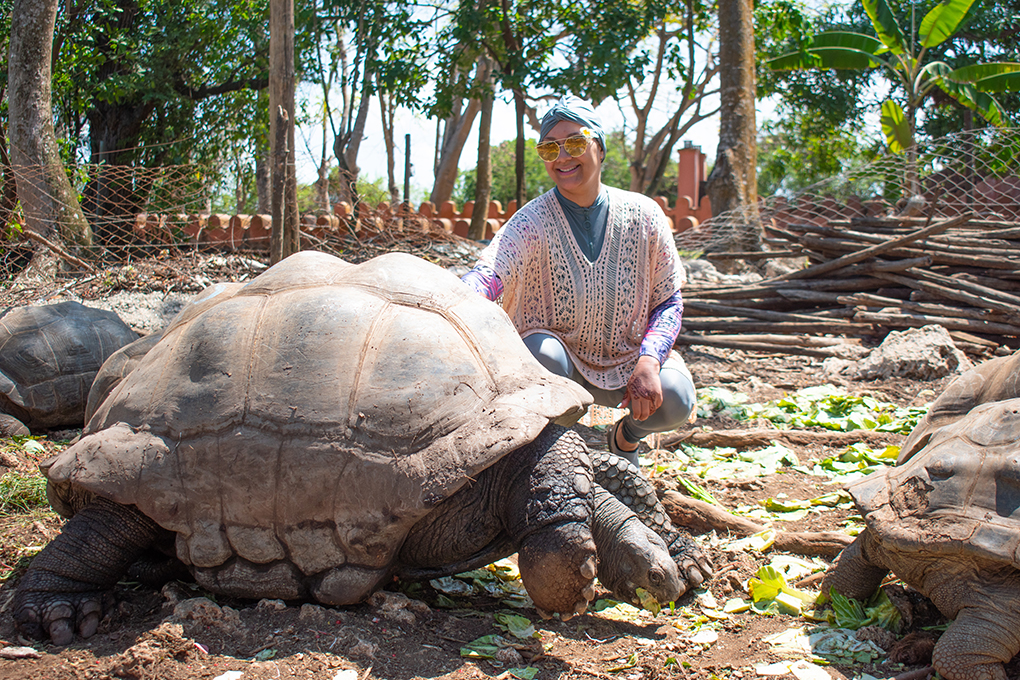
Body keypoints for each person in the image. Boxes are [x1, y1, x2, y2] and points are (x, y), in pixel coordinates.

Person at [460, 94, 695, 466]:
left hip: (630, 361)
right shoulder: (531, 221)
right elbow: (491, 273)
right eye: (549, 148)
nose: (563, 157)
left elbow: (669, 301)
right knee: (540, 353)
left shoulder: (645, 216)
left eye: (574, 143)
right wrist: (448, 297)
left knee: (676, 399)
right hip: (562, 366)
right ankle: (560, 451)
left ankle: (626, 438)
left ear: (598, 148)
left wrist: (650, 360)